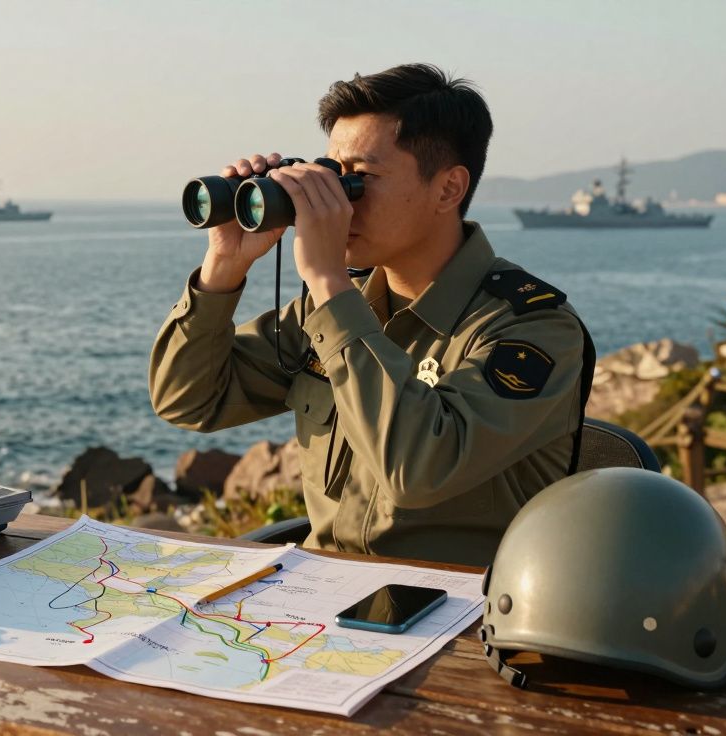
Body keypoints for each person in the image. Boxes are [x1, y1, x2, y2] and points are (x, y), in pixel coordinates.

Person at [149, 63, 591, 567]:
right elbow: (188, 401)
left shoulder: (532, 329)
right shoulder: (336, 306)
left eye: (358, 179)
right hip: (324, 597)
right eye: (331, 173)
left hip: (460, 614)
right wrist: (223, 267)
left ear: (448, 189)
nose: (336, 198)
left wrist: (328, 283)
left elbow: (417, 470)